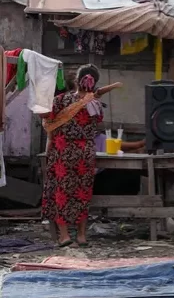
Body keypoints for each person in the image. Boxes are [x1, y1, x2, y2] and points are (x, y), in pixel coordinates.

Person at [41, 64, 117, 247]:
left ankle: (65, 236)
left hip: (63, 151)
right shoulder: (96, 104)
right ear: (94, 82)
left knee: (61, 192)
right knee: (82, 193)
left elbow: (46, 118)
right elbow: (96, 122)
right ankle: (82, 235)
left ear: (76, 81)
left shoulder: (60, 101)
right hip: (85, 153)